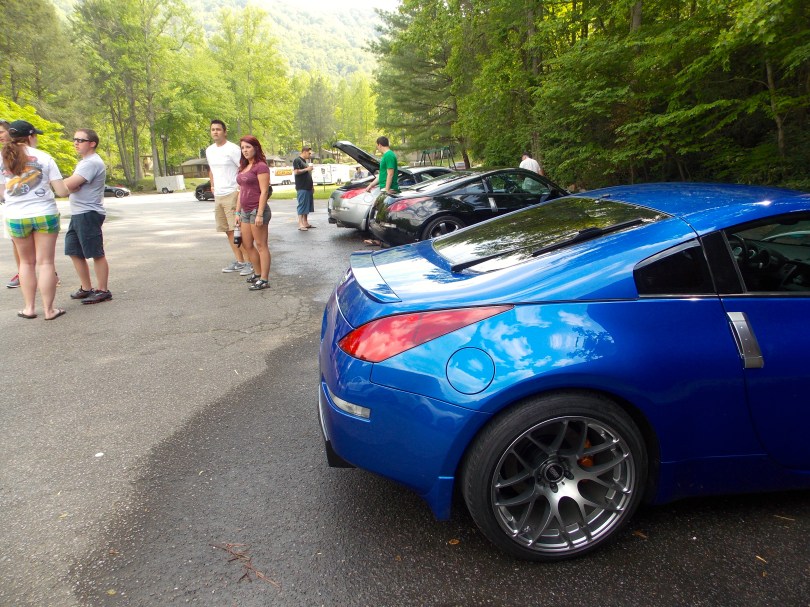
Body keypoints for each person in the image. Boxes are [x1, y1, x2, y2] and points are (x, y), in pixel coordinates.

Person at [0, 120, 69, 320]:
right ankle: (49, 310)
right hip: (44, 213)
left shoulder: (2, 158)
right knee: (46, 263)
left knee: (26, 263)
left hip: (16, 216)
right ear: (30, 136)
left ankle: (29, 308)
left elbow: (2, 193)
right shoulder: (45, 157)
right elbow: (62, 191)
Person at [62, 129, 111, 304]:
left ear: (92, 143)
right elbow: (69, 186)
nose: (76, 143)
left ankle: (103, 290)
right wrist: (69, 185)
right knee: (74, 251)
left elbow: (70, 184)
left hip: (88, 213)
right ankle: (86, 288)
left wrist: (68, 184)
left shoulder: (91, 162)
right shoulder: (84, 162)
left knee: (96, 252)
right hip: (78, 213)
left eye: (80, 140)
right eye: (74, 139)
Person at [205, 119, 252, 276]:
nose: (215, 132)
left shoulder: (233, 149)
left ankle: (250, 263)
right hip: (219, 195)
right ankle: (240, 261)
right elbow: (211, 170)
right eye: (213, 129)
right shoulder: (210, 150)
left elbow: (244, 167)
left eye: (218, 129)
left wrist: (240, 189)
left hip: (232, 193)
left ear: (225, 132)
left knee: (237, 229)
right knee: (227, 230)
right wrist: (212, 186)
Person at [235, 135, 271, 290]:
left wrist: (260, 214)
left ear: (256, 148)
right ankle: (257, 273)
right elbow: (241, 191)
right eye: (243, 148)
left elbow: (264, 192)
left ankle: (264, 279)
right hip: (245, 211)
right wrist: (237, 213)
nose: (245, 150)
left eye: (248, 147)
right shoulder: (244, 167)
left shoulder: (261, 166)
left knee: (261, 245)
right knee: (247, 244)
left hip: (257, 210)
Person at [363, 136, 398, 246]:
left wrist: (387, 190)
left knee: (383, 216)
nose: (377, 147)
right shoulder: (385, 156)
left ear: (379, 144)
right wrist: (370, 185)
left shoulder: (389, 155)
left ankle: (384, 241)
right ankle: (379, 240)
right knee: (379, 216)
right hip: (384, 188)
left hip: (389, 189)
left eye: (377, 145)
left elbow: (390, 173)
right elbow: (382, 175)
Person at [0, 120, 22, 288]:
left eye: (1, 132)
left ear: (10, 132)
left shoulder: (23, 152)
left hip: (26, 202)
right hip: (9, 204)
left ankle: (50, 273)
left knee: (35, 240)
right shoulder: (1, 155)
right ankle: (22, 273)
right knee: (15, 240)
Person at [293, 146, 315, 231]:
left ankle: (305, 222)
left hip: (308, 187)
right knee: (302, 205)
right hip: (302, 187)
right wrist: (307, 169)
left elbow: (307, 174)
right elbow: (296, 172)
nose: (310, 155)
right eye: (309, 153)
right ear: (304, 152)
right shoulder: (297, 160)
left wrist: (312, 186)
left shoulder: (305, 161)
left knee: (307, 205)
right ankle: (300, 224)